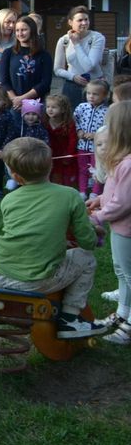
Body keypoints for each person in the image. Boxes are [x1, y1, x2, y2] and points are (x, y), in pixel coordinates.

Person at [0, 137, 109, 339]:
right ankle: (70, 319)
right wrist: (94, 229)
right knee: (86, 258)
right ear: (51, 165)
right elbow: (87, 242)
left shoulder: (8, 199)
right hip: (35, 280)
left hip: (0, 271)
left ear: (16, 177)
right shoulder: (70, 196)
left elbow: (34, 228)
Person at [87, 101, 131, 343]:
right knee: (122, 272)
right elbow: (116, 194)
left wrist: (98, 217)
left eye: (109, 125)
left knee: (130, 274)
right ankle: (123, 314)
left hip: (127, 229)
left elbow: (124, 203)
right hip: (121, 228)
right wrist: (100, 200)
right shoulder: (121, 161)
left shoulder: (129, 164)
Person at [54, 5, 108, 108]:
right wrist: (72, 77)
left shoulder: (97, 37)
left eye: (86, 19)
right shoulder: (63, 40)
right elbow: (57, 69)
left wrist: (77, 44)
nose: (84, 23)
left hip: (95, 86)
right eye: (80, 20)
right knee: (72, 119)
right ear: (70, 22)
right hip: (72, 86)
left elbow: (89, 66)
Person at [0, 16, 53, 111]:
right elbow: (4, 80)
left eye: (24, 30)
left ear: (32, 30)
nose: (20, 33)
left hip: (36, 105)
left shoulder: (44, 55)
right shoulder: (8, 53)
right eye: (17, 30)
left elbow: (45, 83)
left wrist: (23, 99)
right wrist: (15, 99)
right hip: (13, 104)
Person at [76, 80, 111, 200]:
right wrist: (79, 130)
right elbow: (75, 121)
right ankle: (82, 191)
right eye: (88, 93)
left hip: (98, 149)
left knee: (98, 170)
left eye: (95, 94)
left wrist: (96, 135)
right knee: (83, 169)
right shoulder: (81, 107)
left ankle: (95, 193)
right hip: (82, 146)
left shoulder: (107, 111)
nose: (91, 96)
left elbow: (109, 128)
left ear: (105, 95)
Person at [44, 94, 79, 188]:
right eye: (48, 107)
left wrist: (69, 155)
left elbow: (73, 140)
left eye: (54, 107)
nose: (50, 109)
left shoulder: (69, 124)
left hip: (64, 153)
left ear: (63, 109)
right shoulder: (45, 121)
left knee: (65, 176)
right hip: (50, 153)